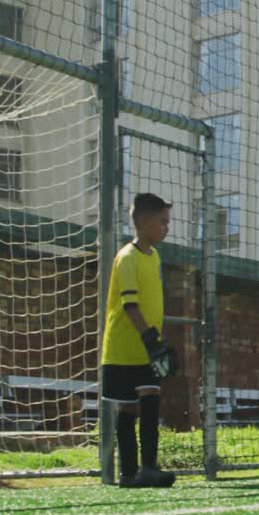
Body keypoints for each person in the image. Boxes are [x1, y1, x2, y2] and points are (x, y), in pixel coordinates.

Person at [100, 193, 179, 488]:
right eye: (163, 221)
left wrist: (156, 340)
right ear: (144, 222)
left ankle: (149, 468)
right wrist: (151, 339)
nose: (166, 227)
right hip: (123, 348)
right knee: (129, 409)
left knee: (151, 401)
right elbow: (130, 305)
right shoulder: (127, 257)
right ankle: (129, 473)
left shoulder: (154, 256)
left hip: (147, 348)